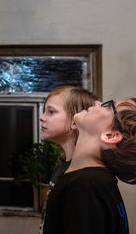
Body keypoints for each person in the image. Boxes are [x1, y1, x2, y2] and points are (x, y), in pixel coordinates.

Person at [43, 98, 136, 234]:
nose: (97, 103)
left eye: (108, 107)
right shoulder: (91, 181)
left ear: (111, 136)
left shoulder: (87, 186)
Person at [39, 85, 98, 233]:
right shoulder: (64, 168)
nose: (41, 117)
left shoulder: (84, 178)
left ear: (74, 121)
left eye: (51, 112)